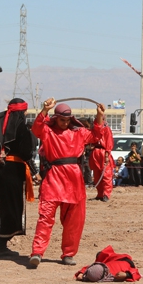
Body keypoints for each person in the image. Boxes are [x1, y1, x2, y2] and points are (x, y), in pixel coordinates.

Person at [28, 99, 106, 269]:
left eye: (67, 120)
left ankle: (69, 253)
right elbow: (36, 128)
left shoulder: (78, 133)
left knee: (74, 220)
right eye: (62, 120)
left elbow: (96, 135)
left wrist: (99, 116)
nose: (64, 123)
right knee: (45, 217)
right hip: (54, 178)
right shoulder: (48, 132)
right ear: (55, 118)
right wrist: (44, 110)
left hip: (74, 180)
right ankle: (37, 252)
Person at [0, 98, 35, 258]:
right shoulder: (21, 127)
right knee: (12, 207)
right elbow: (26, 152)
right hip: (12, 170)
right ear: (22, 112)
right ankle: (0, 241)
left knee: (3, 205)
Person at [74, 245, 141, 282]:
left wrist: (127, 275)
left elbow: (136, 273)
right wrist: (127, 275)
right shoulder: (108, 261)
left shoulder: (107, 261)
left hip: (120, 262)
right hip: (120, 262)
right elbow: (136, 273)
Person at [88, 120, 114, 201]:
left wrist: (107, 154)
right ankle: (100, 194)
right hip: (95, 152)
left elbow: (109, 142)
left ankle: (106, 194)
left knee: (106, 174)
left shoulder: (106, 129)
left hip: (103, 152)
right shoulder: (94, 129)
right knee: (97, 175)